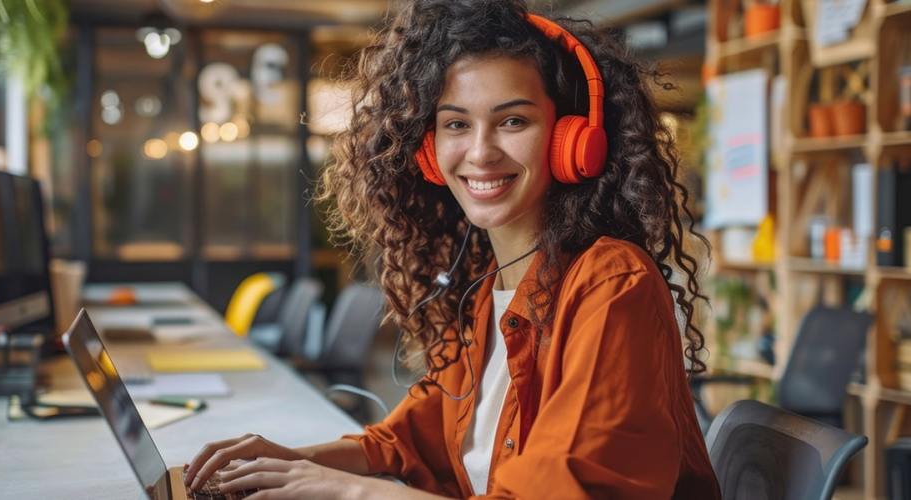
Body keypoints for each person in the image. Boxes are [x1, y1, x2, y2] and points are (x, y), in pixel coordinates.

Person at [184, 0, 721, 498]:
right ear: (428, 152)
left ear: (572, 141)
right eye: (456, 124)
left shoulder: (611, 286)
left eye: (513, 120)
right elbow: (405, 445)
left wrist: (352, 491)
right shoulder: (491, 290)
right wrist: (291, 461)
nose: (481, 152)